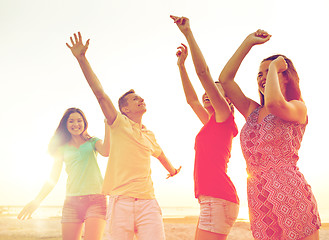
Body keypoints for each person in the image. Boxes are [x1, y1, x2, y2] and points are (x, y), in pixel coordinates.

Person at [66, 32, 181, 240]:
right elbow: (100, 94)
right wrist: (82, 59)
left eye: (140, 97)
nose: (141, 99)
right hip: (121, 202)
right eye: (135, 99)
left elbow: (160, 153)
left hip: (148, 202)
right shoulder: (118, 123)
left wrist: (172, 170)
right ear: (125, 109)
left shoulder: (148, 134)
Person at [219, 29, 321, 239]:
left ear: (286, 77)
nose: (263, 78)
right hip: (259, 199)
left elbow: (275, 103)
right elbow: (225, 80)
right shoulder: (252, 111)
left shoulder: (297, 107)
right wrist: (248, 42)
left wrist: (275, 65)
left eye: (270, 72)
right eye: (260, 74)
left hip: (290, 194)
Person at [170, 16, 239, 240]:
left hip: (218, 198)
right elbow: (191, 100)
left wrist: (188, 34)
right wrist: (181, 66)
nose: (208, 94)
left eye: (215, 92)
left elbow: (203, 74)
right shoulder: (212, 122)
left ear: (227, 101)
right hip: (213, 199)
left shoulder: (224, 116)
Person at [18, 107, 111, 240]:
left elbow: (106, 151)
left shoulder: (93, 141)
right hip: (72, 202)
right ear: (65, 125)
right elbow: (53, 178)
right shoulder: (62, 149)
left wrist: (107, 125)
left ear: (84, 123)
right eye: (71, 121)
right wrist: (37, 200)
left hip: (95, 200)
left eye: (79, 120)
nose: (76, 124)